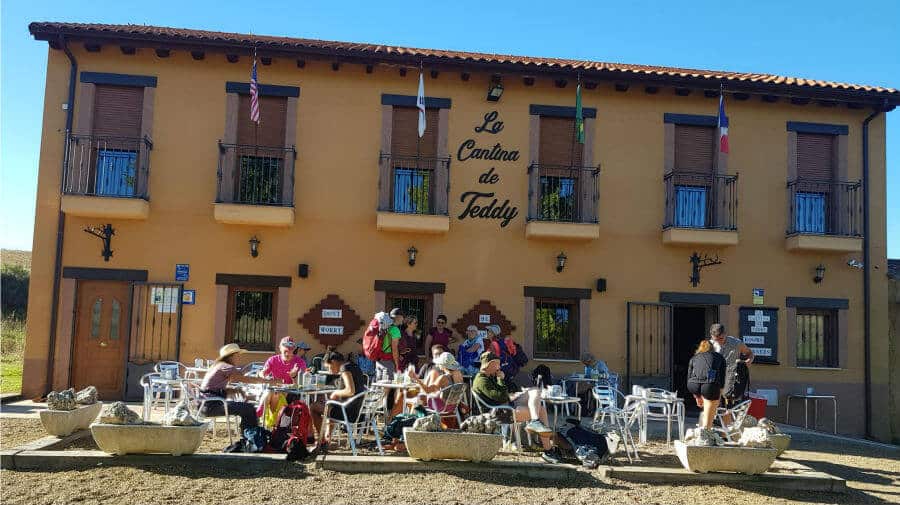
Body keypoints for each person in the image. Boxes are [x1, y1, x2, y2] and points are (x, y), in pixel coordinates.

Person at [471, 352, 561, 464]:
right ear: (489, 364)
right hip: (497, 413)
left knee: (534, 391)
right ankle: (547, 449)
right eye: (497, 364)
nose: (499, 367)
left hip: (504, 406)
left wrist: (515, 394)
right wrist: (501, 379)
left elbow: (502, 394)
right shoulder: (481, 380)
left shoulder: (490, 376)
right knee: (540, 410)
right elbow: (501, 396)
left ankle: (535, 422)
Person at [198, 343, 277, 432]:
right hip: (211, 406)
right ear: (231, 356)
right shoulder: (226, 367)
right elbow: (245, 379)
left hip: (204, 405)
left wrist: (236, 390)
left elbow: (212, 389)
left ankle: (249, 436)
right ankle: (251, 438)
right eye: (238, 355)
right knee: (249, 409)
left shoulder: (218, 365)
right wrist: (270, 381)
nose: (239, 357)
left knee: (247, 408)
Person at [310, 346, 368, 444]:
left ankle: (322, 440)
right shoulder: (353, 366)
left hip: (348, 413)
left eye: (328, 367)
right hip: (356, 410)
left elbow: (350, 390)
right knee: (331, 403)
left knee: (314, 407)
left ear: (333, 362)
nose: (329, 371)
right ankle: (328, 436)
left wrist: (335, 393)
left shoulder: (344, 369)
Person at [258, 337, 308, 427]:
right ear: (280, 348)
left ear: (294, 349)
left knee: (272, 392)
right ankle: (274, 425)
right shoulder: (273, 360)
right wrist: (262, 374)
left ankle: (261, 411)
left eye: (291, 348)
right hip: (275, 392)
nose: (288, 350)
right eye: (285, 348)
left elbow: (301, 385)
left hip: (292, 393)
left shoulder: (299, 362)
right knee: (273, 392)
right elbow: (262, 373)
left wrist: (294, 376)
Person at [708, 323, 754, 407]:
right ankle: (715, 418)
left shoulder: (736, 343)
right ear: (711, 336)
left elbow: (749, 353)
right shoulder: (709, 345)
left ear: (725, 334)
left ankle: (727, 416)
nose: (719, 342)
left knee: (728, 405)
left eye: (721, 338)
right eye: (716, 340)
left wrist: (748, 361)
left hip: (731, 376)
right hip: (714, 375)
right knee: (714, 403)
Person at [687, 339, 726, 429]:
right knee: (712, 403)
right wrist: (719, 395)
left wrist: (697, 396)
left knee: (706, 402)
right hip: (709, 385)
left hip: (692, 385)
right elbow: (722, 377)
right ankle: (706, 430)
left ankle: (703, 427)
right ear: (713, 348)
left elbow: (689, 376)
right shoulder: (719, 357)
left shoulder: (694, 358)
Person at [375, 309, 403, 381]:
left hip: (379, 360)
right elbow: (394, 349)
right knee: (388, 388)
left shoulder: (384, 327)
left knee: (380, 387)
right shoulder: (395, 330)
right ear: (399, 317)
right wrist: (397, 365)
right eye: (402, 316)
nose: (403, 319)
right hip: (388, 362)